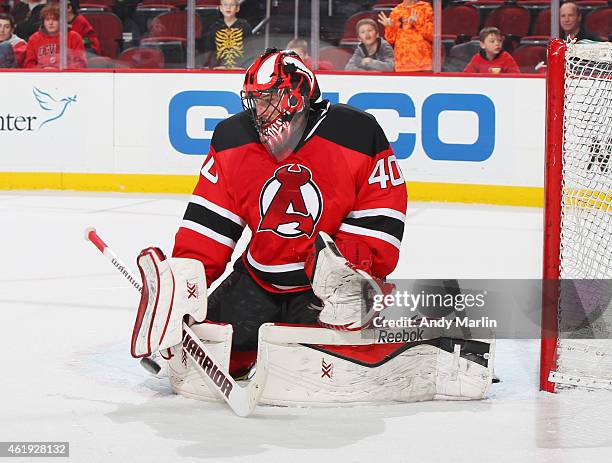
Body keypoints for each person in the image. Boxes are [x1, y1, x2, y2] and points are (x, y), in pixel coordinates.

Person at [131, 48, 408, 378]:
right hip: (258, 280)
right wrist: (184, 284)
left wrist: (349, 272)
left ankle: (372, 313)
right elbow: (210, 221)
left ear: (296, 96)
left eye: (267, 99)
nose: (257, 112)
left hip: (323, 291)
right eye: (253, 100)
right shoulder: (232, 137)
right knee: (196, 351)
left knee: (341, 366)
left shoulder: (357, 133)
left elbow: (381, 210)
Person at [23, 3, 86, 68]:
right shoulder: (34, 38)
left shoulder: (74, 37)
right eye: (47, 20)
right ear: (43, 22)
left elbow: (81, 64)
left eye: (54, 19)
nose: (51, 23)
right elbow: (28, 64)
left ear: (61, 21)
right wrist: (42, 70)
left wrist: (59, 69)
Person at [378, 0, 432, 72]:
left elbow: (432, 35)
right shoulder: (396, 11)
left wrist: (417, 23)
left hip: (423, 64)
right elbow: (391, 39)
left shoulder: (425, 7)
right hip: (402, 64)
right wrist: (389, 27)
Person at [204, 0, 252, 69]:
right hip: (219, 68)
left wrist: (244, 66)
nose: (228, 8)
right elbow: (210, 50)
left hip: (240, 68)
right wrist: (214, 66)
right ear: (220, 8)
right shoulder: (214, 27)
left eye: (232, 5)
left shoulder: (245, 26)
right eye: (225, 5)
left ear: (237, 8)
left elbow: (249, 50)